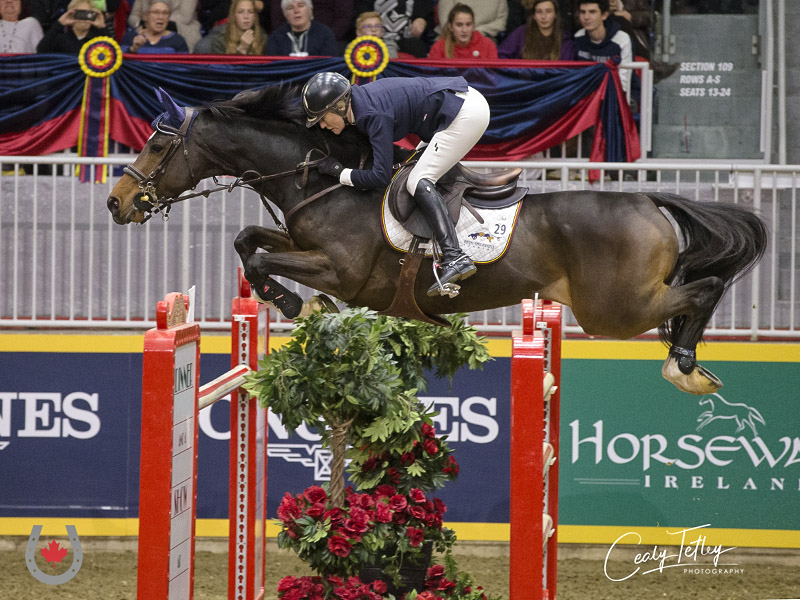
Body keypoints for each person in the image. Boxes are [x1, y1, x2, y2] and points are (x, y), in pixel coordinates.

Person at [301, 72, 490, 296]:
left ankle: (455, 256)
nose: (322, 125)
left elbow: (379, 177)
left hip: (464, 113)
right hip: (454, 109)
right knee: (415, 169)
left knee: (418, 180)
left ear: (339, 106)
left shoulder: (372, 113)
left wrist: (340, 173)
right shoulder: (363, 106)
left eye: (322, 117)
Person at [573, 0, 632, 92]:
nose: (586, 17)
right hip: (587, 96)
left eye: (592, 12)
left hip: (616, 95)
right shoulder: (578, 37)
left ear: (604, 15)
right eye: (582, 12)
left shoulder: (622, 39)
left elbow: (624, 81)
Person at [353, 0, 434, 58]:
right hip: (375, 39)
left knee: (418, 47)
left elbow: (429, 13)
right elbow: (361, 16)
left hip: (408, 38)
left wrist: (422, 18)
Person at [498, 0, 575, 60]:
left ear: (555, 15)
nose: (543, 17)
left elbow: (567, 70)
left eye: (548, 11)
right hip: (525, 79)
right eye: (539, 12)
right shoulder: (521, 32)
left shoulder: (564, 39)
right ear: (534, 16)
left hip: (555, 80)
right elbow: (502, 56)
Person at [265, 0, 337, 56]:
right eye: (290, 8)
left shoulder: (325, 34)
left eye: (301, 6)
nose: (296, 11)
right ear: (285, 14)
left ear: (310, 10)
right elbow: (273, 67)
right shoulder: (276, 37)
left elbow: (328, 65)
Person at [428, 3, 497, 60]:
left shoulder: (488, 45)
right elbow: (432, 75)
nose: (464, 30)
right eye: (459, 25)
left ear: (473, 25)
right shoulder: (438, 47)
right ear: (451, 27)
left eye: (468, 24)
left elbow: (493, 74)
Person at [269, 0, 351, 45]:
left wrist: (326, 38)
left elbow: (343, 17)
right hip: (288, 38)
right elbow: (277, 16)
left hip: (328, 38)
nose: (297, 10)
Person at [128, 0, 199, 50]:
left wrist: (155, 17)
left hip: (181, 28)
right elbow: (133, 16)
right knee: (130, 40)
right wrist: (141, 24)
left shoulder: (156, 17)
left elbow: (185, 17)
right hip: (146, 28)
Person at [36, 0, 104, 52]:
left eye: (87, 14)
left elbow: (111, 54)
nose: (83, 19)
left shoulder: (98, 39)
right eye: (79, 13)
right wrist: (59, 23)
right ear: (71, 14)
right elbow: (41, 50)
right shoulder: (61, 39)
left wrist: (102, 27)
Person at [437, 0, 506, 41]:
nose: (465, 30)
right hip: (451, 39)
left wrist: (474, 32)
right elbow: (446, 23)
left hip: (486, 38)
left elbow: (501, 22)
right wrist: (467, 30)